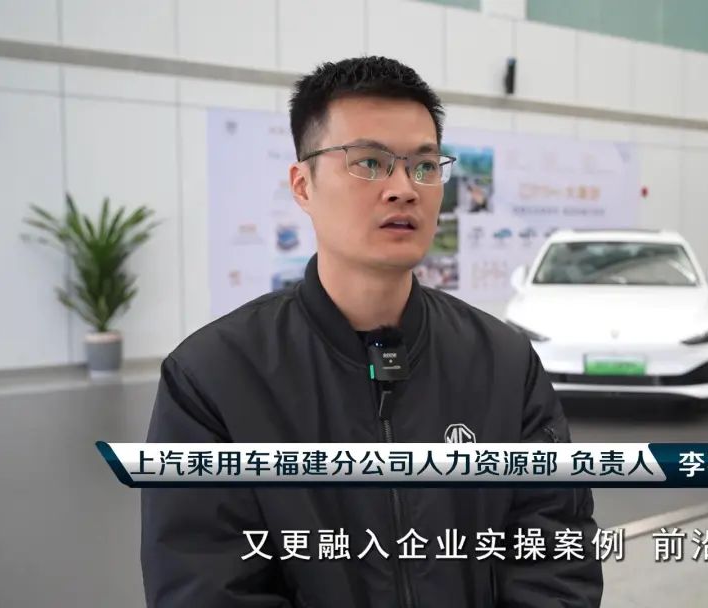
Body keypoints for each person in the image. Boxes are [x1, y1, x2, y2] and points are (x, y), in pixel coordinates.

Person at [141, 56, 603, 607]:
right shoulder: (214, 378)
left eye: (424, 166)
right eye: (369, 162)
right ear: (303, 185)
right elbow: (206, 589)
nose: (404, 188)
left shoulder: (504, 363)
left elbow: (556, 559)